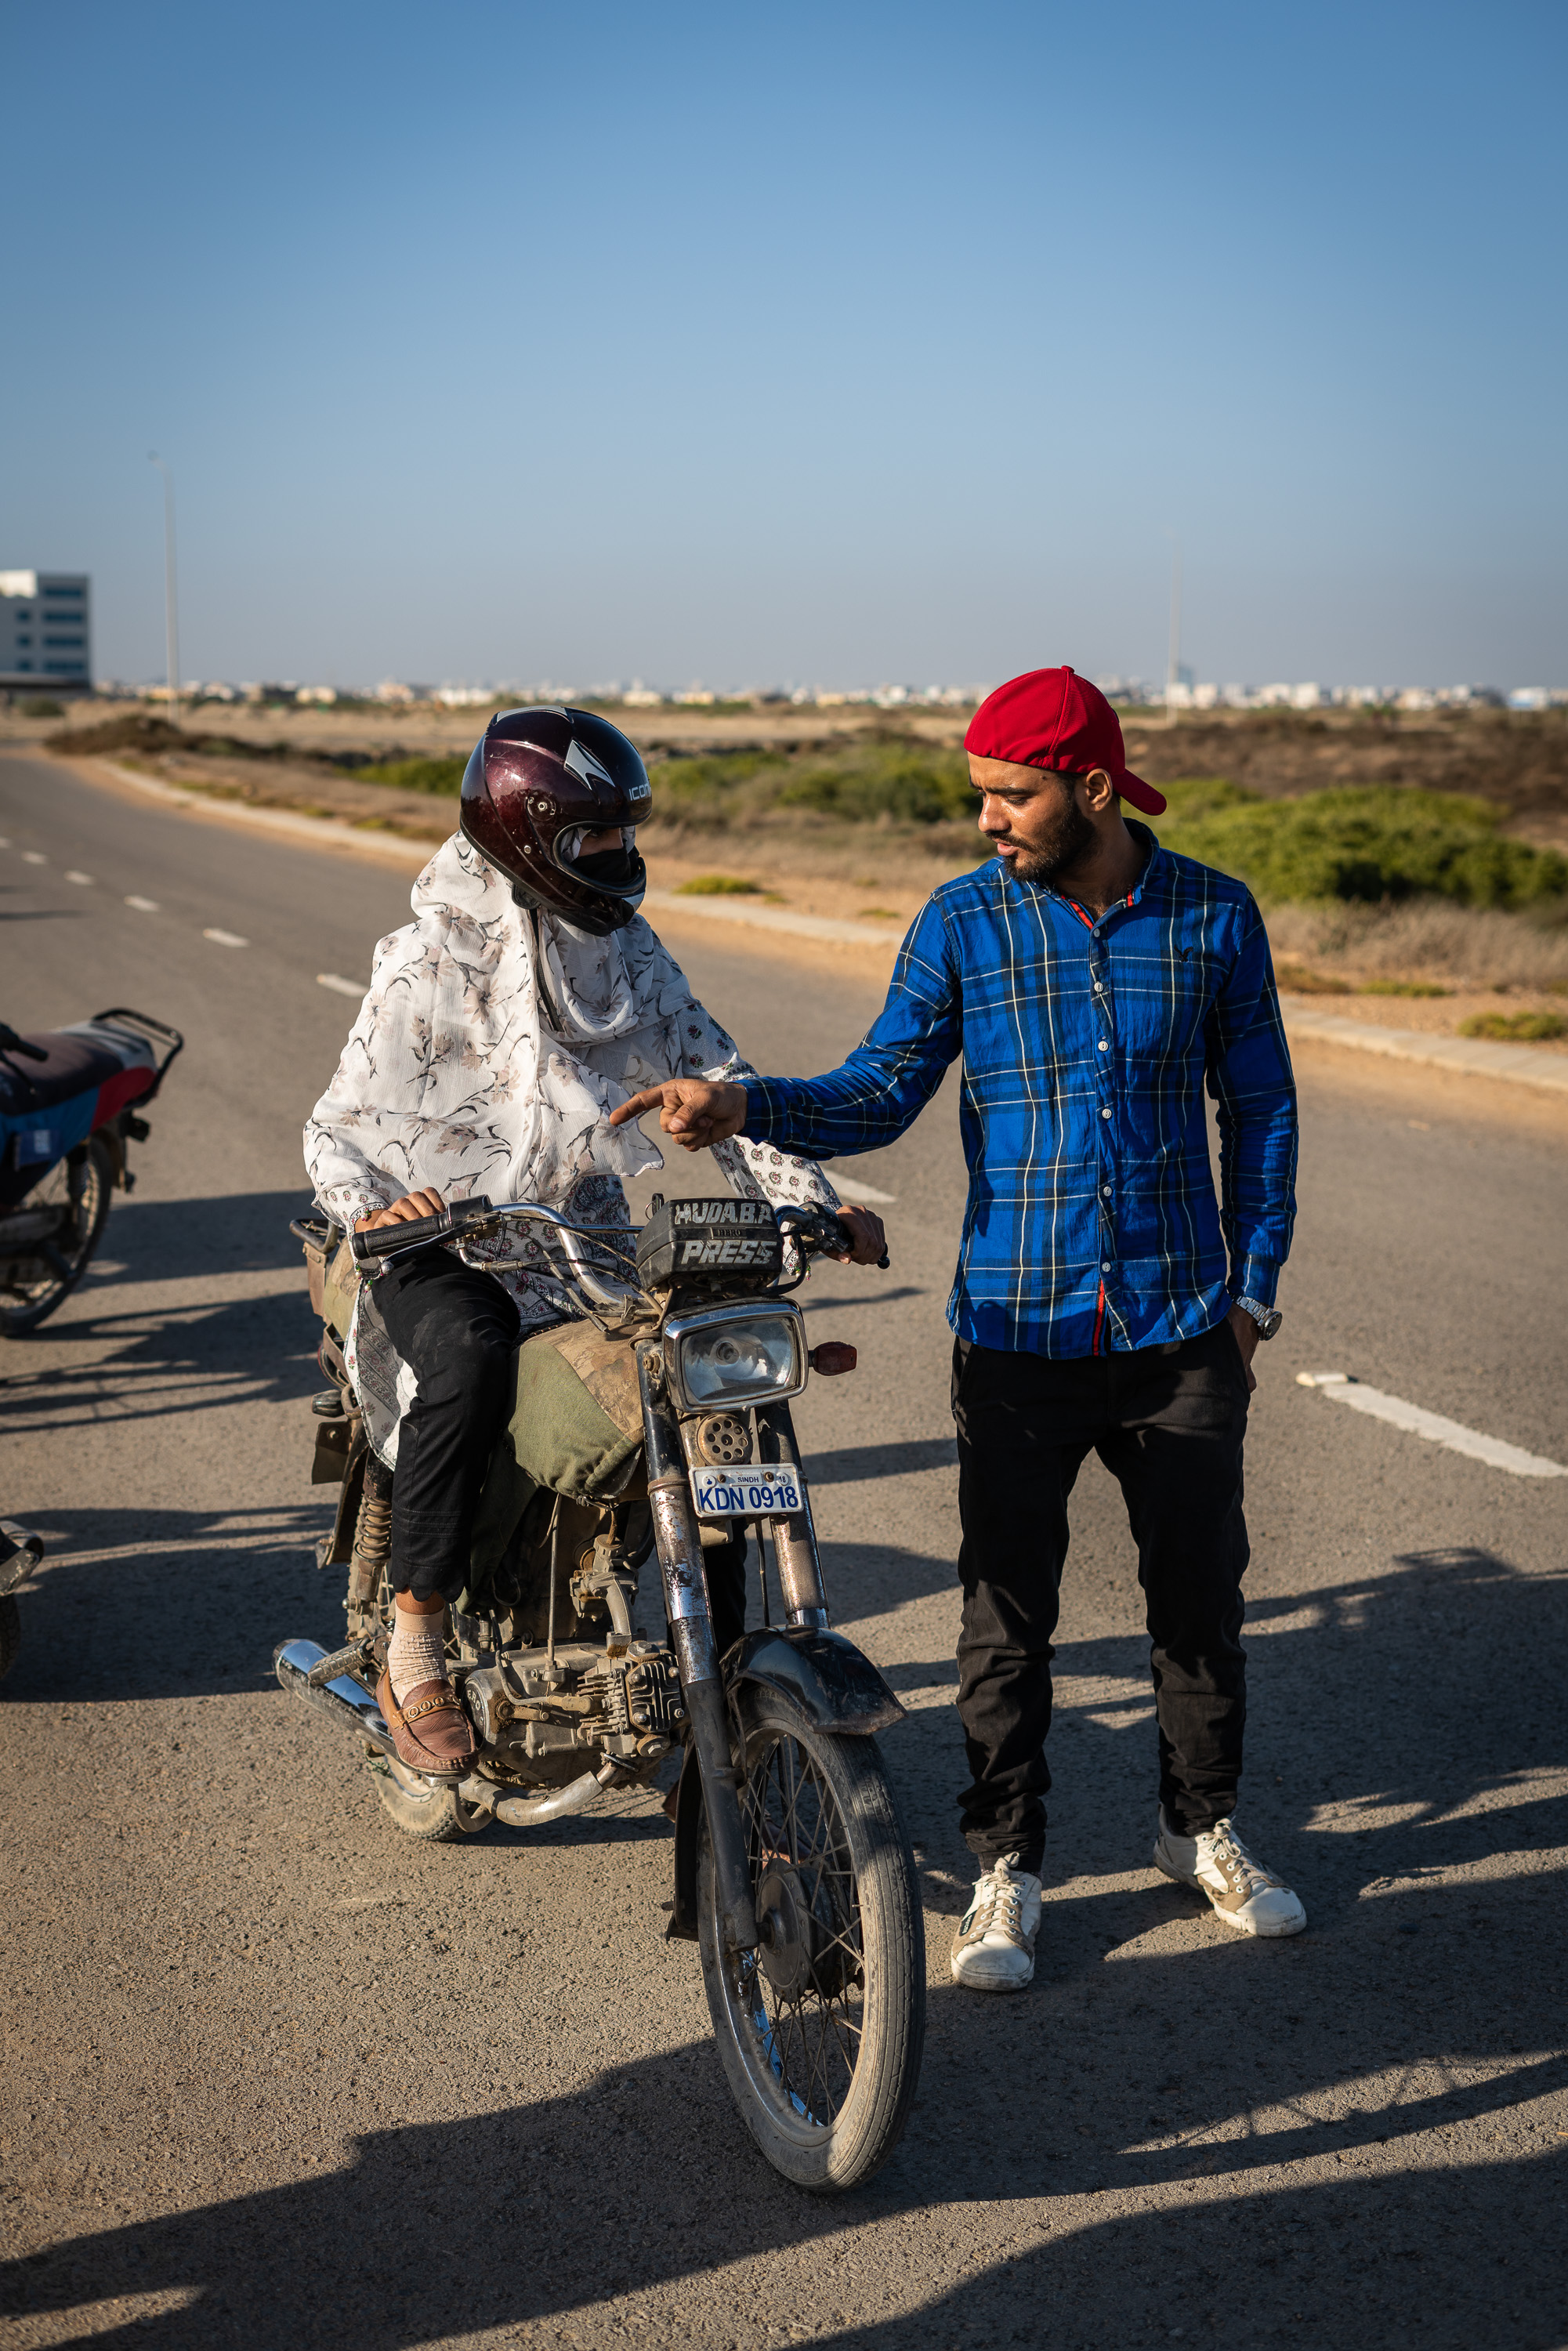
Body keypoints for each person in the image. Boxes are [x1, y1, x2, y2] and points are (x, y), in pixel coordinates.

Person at [611, 664, 1305, 1988]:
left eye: (1011, 794)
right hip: (1014, 1329)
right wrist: (743, 1105)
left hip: (1177, 1329)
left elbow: (1259, 1111)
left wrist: (1252, 1293)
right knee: (1005, 1617)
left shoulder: (1214, 916)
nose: (987, 820)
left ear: (1092, 789)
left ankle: (1200, 1829)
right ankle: (1006, 1871)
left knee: (1197, 1601)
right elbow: (879, 1092)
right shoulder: (962, 923)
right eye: (978, 795)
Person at [305, 706, 885, 1782]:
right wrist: (375, 1208)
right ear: (527, 835)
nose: (621, 859)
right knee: (470, 1353)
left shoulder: (628, 953)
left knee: (706, 1376)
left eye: (625, 834)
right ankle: (417, 1643)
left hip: (581, 1240)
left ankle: (715, 1672)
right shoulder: (425, 964)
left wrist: (813, 1202)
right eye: (596, 841)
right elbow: (338, 1129)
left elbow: (721, 1081)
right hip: (450, 1243)